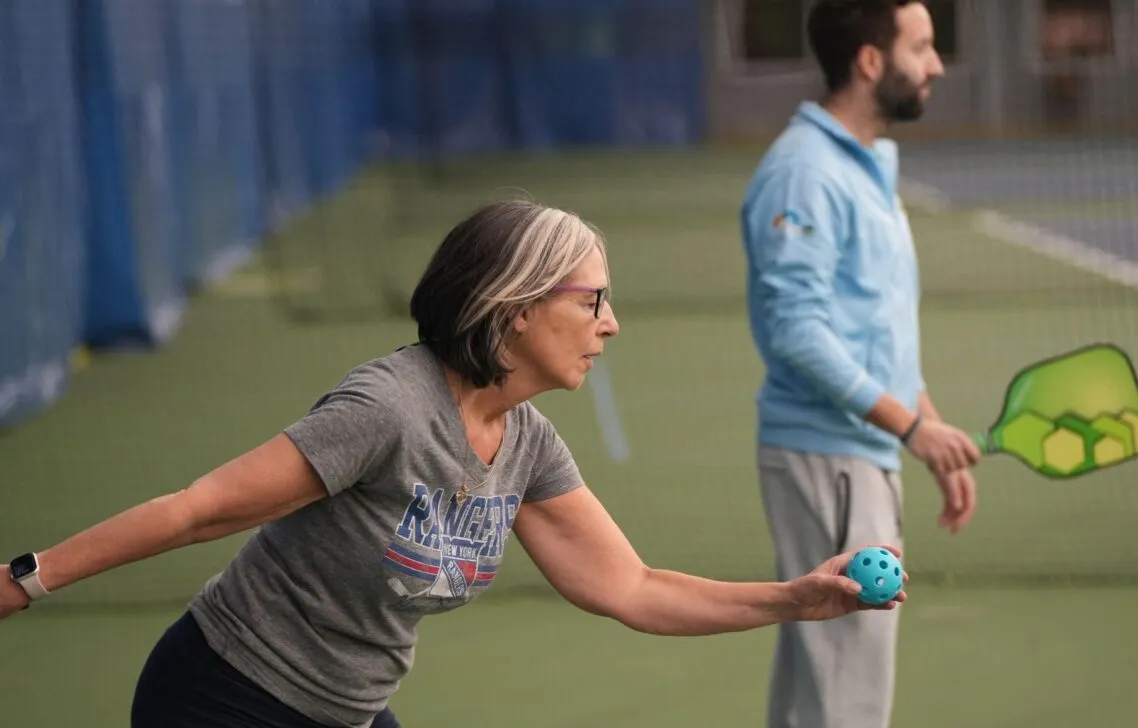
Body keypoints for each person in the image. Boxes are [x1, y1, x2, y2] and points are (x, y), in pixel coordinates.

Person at [1, 199, 907, 728]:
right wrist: (22, 581)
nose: (611, 322)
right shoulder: (388, 411)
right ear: (515, 307)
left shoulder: (526, 446)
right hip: (225, 695)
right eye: (592, 299)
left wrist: (796, 598)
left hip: (346, 710)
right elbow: (200, 509)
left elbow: (630, 588)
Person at [738, 2, 982, 727]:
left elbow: (870, 327)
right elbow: (797, 332)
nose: (936, 64)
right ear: (872, 61)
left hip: (858, 454)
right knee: (842, 695)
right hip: (829, 459)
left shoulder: (867, 163)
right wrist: (911, 428)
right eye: (923, 46)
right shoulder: (805, 174)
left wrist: (928, 428)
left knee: (824, 686)